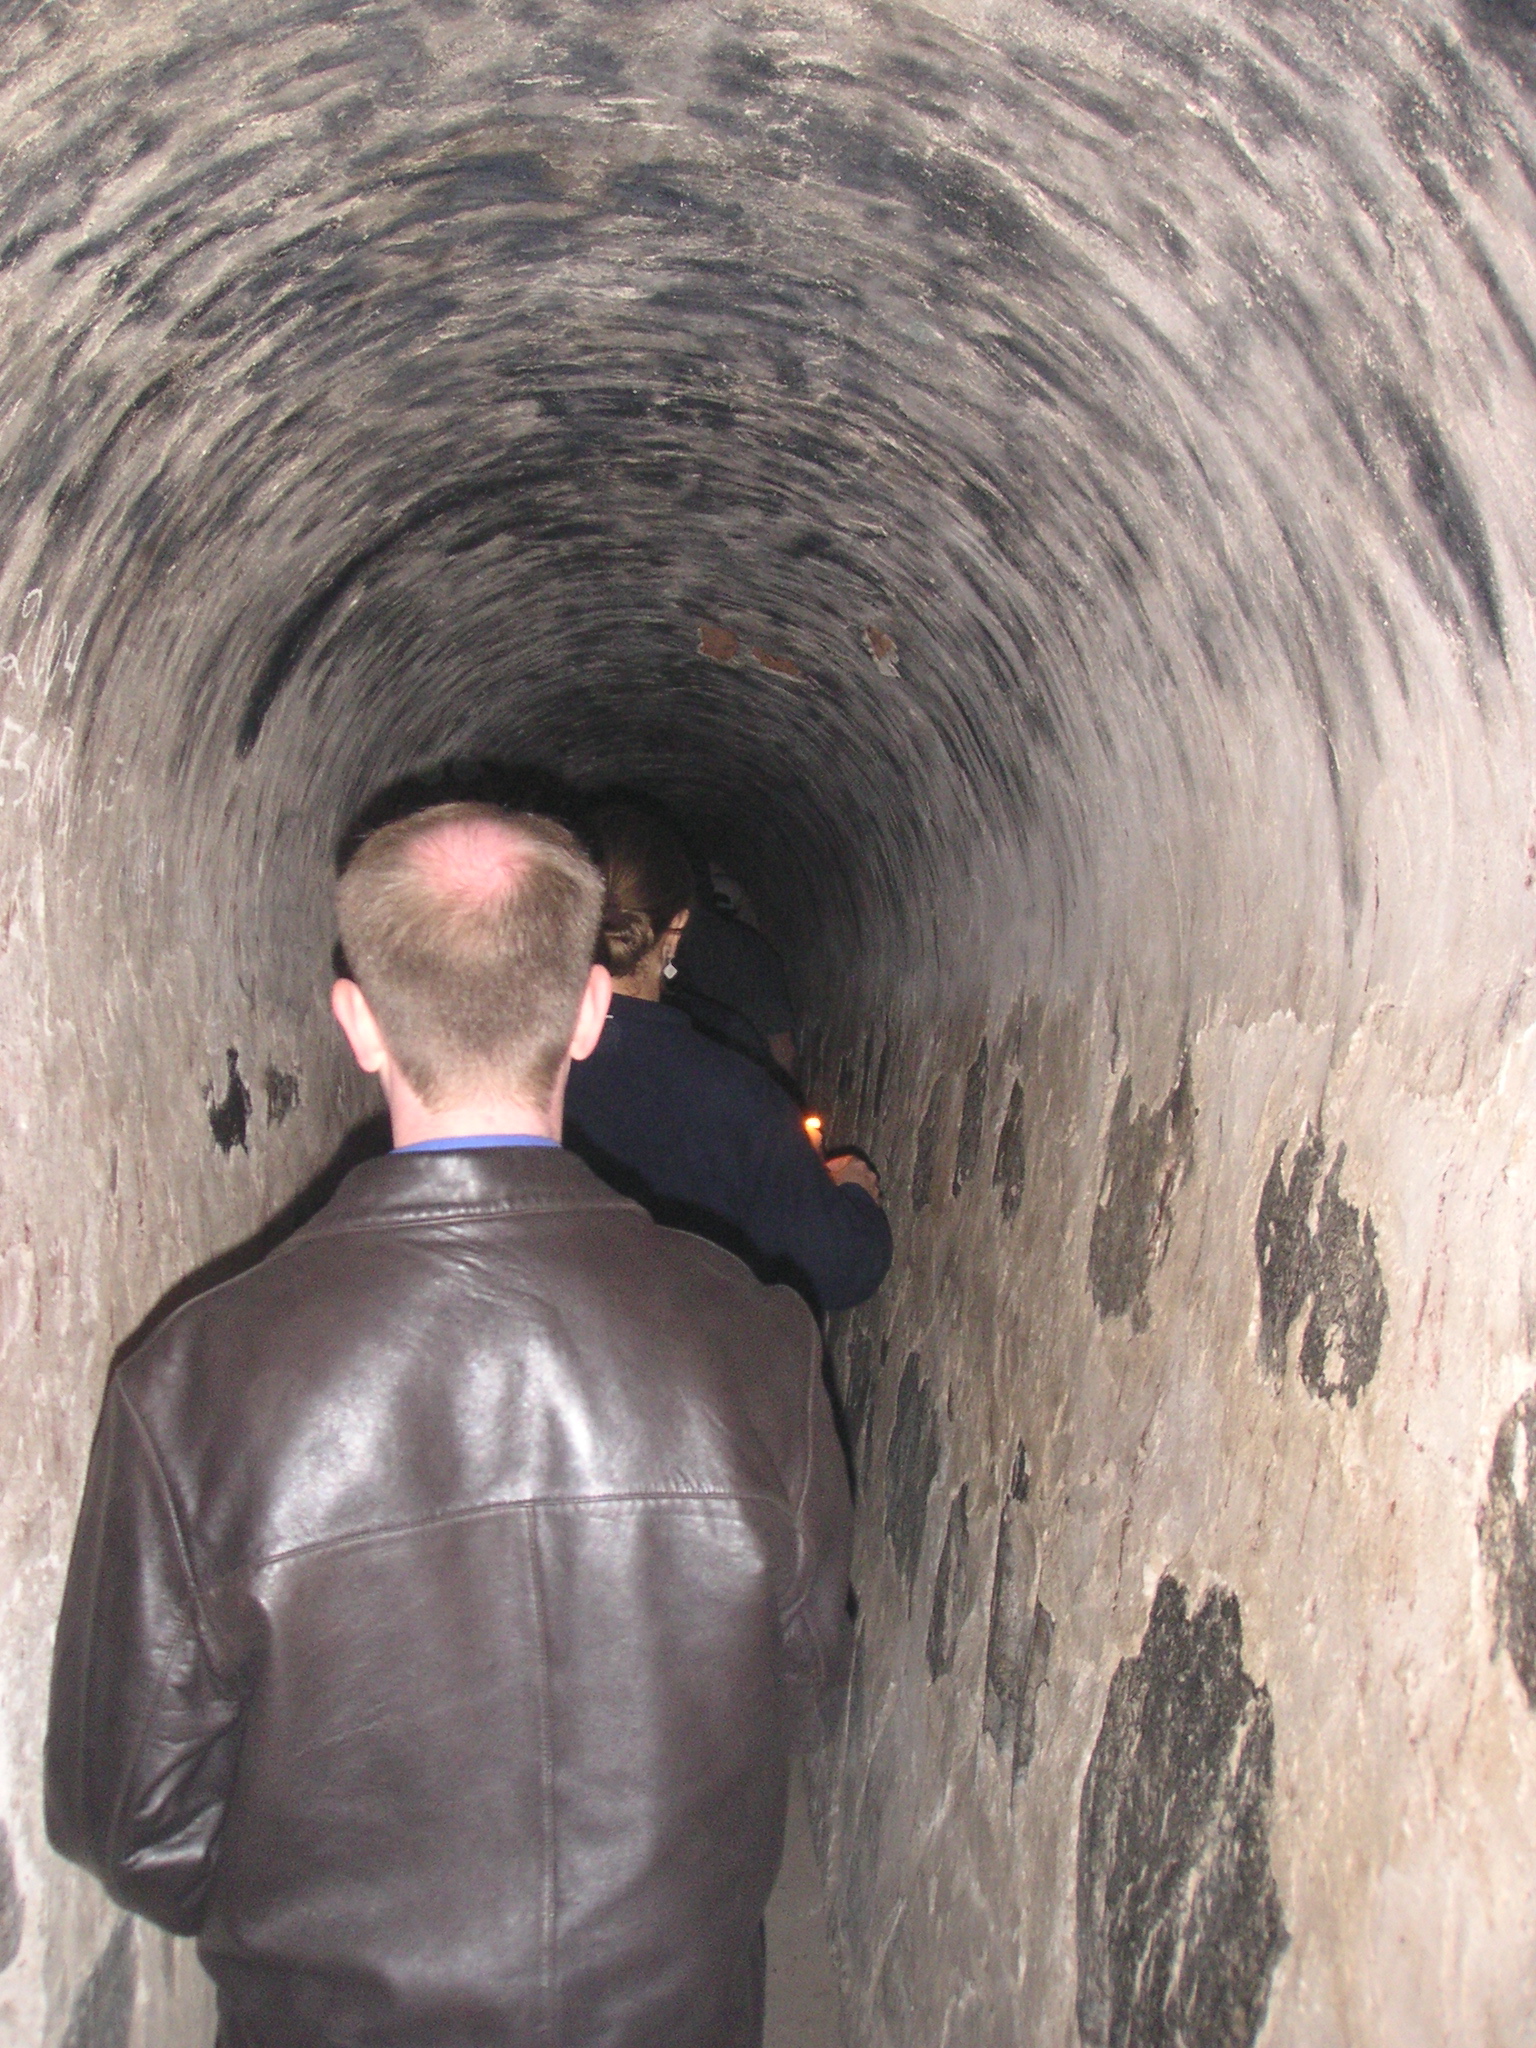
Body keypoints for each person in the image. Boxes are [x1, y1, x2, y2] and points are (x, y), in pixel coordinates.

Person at [45, 802, 853, 2048]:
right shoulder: (756, 1344)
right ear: (590, 1012)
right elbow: (798, 1683)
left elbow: (132, 1821)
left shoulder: (190, 1383)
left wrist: (316, 1930)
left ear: (357, 1023)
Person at [563, 803, 891, 1315]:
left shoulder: (512, 1075)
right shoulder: (731, 1089)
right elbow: (838, 1266)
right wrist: (850, 1193)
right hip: (687, 1372)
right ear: (675, 928)